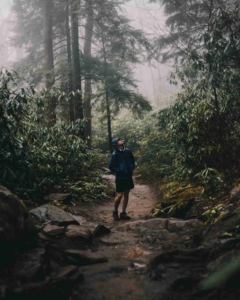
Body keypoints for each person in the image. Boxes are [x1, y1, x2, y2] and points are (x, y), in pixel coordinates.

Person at [109, 137, 135, 221]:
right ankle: (115, 212)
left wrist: (131, 168)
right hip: (120, 176)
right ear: (116, 144)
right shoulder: (114, 154)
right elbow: (111, 166)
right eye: (119, 140)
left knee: (126, 193)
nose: (121, 140)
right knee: (119, 195)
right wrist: (119, 171)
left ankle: (123, 212)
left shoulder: (127, 151)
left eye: (121, 140)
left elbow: (132, 161)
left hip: (128, 175)